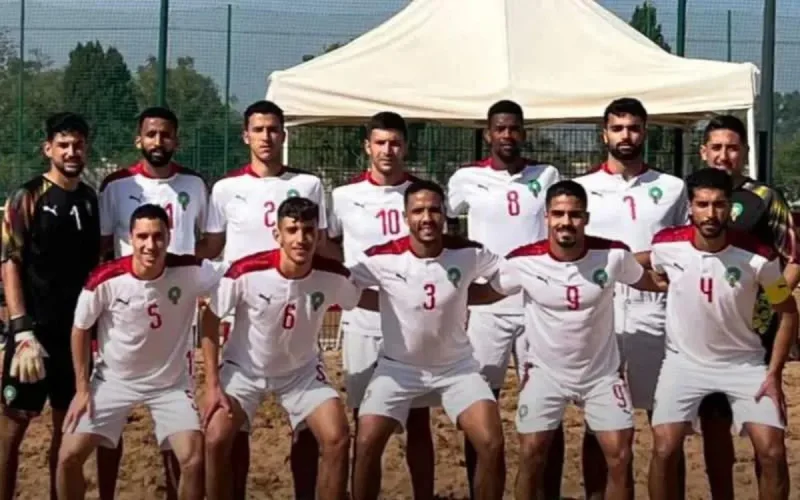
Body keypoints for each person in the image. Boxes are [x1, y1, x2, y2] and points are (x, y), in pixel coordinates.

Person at [469, 180, 664, 500]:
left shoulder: (613, 255)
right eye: (558, 213)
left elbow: (649, 281)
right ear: (546, 217)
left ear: (586, 218)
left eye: (574, 215)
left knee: (620, 456)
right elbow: (487, 293)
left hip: (601, 376)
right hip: (546, 374)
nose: (565, 221)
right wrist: (440, 295)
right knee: (531, 453)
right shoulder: (522, 261)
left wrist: (692, 280)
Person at [198, 100, 330, 500]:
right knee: (232, 424)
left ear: (283, 135)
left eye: (273, 129)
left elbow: (318, 245)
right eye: (258, 129)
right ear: (246, 136)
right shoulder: (225, 189)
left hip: (294, 310)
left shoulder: (308, 185)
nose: (266, 137)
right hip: (242, 313)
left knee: (307, 422)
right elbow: (213, 247)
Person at [55, 204, 225, 500]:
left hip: (170, 385)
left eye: (158, 236)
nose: (150, 245)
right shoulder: (105, 279)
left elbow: (237, 273)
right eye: (142, 237)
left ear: (169, 237)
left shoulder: (190, 270)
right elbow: (80, 329)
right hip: (112, 381)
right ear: (130, 239)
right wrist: (82, 388)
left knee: (193, 458)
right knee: (68, 456)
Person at [349, 179, 505, 500]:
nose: (426, 217)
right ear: (405, 217)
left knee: (492, 442)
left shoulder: (468, 252)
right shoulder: (381, 257)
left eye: (434, 209)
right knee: (365, 442)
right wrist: (384, 302)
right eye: (418, 210)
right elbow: (345, 288)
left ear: (445, 214)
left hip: (457, 368)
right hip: (397, 368)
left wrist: (463, 296)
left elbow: (503, 279)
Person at [647, 167, 796, 500]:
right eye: (702, 204)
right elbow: (649, 268)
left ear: (730, 207)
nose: (710, 213)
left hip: (744, 364)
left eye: (718, 204)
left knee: (771, 451)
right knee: (664, 448)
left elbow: (787, 312)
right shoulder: (666, 245)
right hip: (683, 363)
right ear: (690, 207)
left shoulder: (759, 256)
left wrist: (773, 374)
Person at [202, 197, 363, 500]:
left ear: (318, 235)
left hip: (301, 372)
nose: (301, 239)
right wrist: (211, 384)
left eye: (308, 230)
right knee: (214, 439)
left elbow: (361, 299)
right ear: (278, 235)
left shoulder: (333, 275)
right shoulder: (246, 272)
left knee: (337, 437)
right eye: (292, 230)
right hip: (244, 370)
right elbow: (209, 317)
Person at [446, 99, 562, 498]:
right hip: (487, 306)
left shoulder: (546, 174)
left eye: (514, 129)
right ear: (488, 134)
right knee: (481, 402)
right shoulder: (464, 178)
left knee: (547, 401)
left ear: (523, 133)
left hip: (536, 305)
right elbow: (446, 226)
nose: (507, 136)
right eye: (500, 129)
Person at [573, 97, 688, 499]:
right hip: (598, 316)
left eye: (634, 128)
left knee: (666, 424)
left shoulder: (672, 188)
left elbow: (681, 250)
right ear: (604, 133)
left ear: (645, 132)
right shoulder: (583, 190)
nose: (626, 136)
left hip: (654, 315)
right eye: (618, 128)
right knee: (597, 424)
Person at [96, 106, 209, 500]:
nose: (157, 142)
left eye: (165, 135)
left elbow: (208, 241)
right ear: (138, 139)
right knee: (110, 422)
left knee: (175, 419)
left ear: (176, 140)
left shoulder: (194, 184)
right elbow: (105, 249)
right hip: (124, 319)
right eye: (151, 134)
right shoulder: (115, 185)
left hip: (177, 320)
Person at [327, 111, 435, 498]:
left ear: (405, 146)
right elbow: (330, 245)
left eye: (395, 143)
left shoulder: (421, 195)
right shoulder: (343, 196)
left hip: (412, 326)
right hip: (364, 321)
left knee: (419, 423)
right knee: (365, 421)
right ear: (367, 147)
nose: (388, 150)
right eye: (380, 143)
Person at [695, 114, 800, 498]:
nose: (724, 155)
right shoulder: (688, 198)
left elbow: (793, 257)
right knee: (716, 431)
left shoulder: (764, 198)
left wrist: (769, 304)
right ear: (703, 151)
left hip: (757, 339)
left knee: (769, 443)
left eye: (733, 147)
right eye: (717, 147)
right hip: (707, 339)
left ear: (744, 153)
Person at [0, 113, 100, 500]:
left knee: (67, 426)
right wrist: (21, 327)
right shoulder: (26, 196)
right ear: (48, 149)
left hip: (73, 335)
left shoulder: (90, 199)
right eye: (63, 145)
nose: (71, 152)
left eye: (77, 145)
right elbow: (11, 261)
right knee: (13, 427)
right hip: (33, 335)